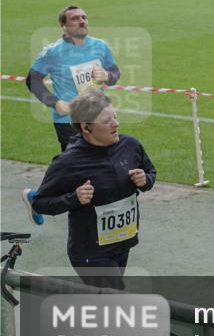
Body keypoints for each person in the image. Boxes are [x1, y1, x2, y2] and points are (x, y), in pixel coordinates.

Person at [30, 92, 155, 290]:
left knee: (107, 304)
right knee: (116, 300)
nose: (116, 124)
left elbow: (150, 171)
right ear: (85, 127)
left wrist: (145, 180)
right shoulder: (68, 162)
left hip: (122, 243)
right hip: (90, 253)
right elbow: (39, 202)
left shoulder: (130, 145)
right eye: (107, 120)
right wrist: (74, 198)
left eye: (115, 116)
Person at [22, 5, 120, 226]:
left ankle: (38, 197)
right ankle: (43, 200)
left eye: (84, 17)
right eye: (75, 18)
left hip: (99, 117)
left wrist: (107, 75)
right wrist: (56, 103)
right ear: (64, 25)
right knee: (79, 166)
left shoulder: (100, 46)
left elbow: (115, 73)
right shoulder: (52, 52)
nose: (82, 21)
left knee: (97, 162)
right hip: (70, 122)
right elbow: (32, 80)